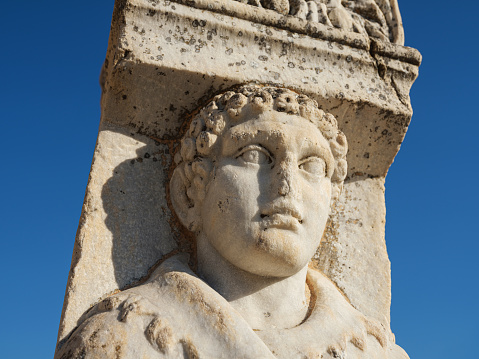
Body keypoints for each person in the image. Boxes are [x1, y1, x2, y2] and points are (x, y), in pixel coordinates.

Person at [55, 85, 408, 358]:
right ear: (189, 195)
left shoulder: (377, 352)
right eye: (254, 155)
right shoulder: (119, 340)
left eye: (311, 165)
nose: (287, 185)